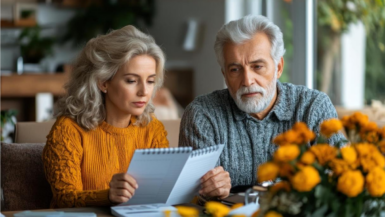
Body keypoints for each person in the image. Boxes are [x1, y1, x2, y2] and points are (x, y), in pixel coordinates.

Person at [179, 15, 345, 199]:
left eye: (257, 66)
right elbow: (192, 198)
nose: (247, 81)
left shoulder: (314, 107)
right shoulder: (202, 114)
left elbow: (341, 178)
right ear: (224, 74)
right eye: (235, 69)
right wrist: (209, 190)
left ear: (278, 67)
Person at [42, 25, 169, 208]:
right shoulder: (68, 130)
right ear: (103, 83)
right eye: (132, 81)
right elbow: (65, 199)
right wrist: (108, 196)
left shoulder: (152, 128)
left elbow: (162, 192)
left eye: (150, 81)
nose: (144, 92)